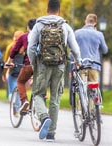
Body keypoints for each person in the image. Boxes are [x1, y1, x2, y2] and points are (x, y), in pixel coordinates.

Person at [27, 0, 82, 141]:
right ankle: (51, 133)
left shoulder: (39, 25)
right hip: (59, 65)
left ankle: (44, 117)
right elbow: (75, 48)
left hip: (43, 65)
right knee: (55, 98)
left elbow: (30, 48)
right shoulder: (65, 26)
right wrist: (79, 61)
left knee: (38, 93)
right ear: (59, 10)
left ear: (47, 9)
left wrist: (34, 63)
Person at [6, 18, 36, 113]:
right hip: (41, 66)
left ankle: (24, 101)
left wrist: (9, 62)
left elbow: (14, 51)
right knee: (38, 84)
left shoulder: (24, 37)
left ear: (28, 27)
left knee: (20, 82)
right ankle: (43, 97)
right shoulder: (42, 37)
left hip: (28, 64)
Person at [75, 13, 108, 82]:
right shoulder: (99, 34)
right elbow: (105, 50)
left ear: (85, 21)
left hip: (81, 65)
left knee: (82, 87)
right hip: (94, 65)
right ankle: (93, 92)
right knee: (93, 87)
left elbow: (72, 49)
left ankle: (83, 92)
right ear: (95, 23)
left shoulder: (77, 33)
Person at [2, 30, 24, 101]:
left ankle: (13, 102)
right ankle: (20, 106)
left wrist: (4, 73)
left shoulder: (10, 47)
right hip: (23, 71)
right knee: (20, 90)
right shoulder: (25, 47)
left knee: (13, 90)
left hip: (13, 71)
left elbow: (6, 61)